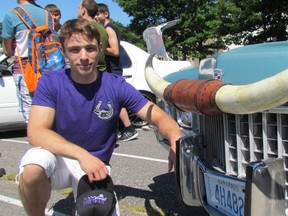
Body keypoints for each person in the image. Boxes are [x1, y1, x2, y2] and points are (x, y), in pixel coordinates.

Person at [17, 18, 183, 215]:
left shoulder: (115, 85)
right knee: (33, 166)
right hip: (60, 160)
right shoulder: (51, 82)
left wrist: (175, 138)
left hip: (96, 167)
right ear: (63, 51)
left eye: (90, 48)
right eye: (75, 49)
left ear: (101, 48)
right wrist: (82, 155)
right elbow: (36, 132)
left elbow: (157, 116)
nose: (84, 56)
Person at [1, 0, 50, 123]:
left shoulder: (12, 15)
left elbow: (7, 51)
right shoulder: (47, 14)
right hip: (48, 68)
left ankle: (37, 140)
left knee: (30, 115)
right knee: (48, 111)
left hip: (25, 69)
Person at [95, 3, 138, 142]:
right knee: (112, 100)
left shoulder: (109, 29)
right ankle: (120, 129)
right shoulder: (106, 28)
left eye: (98, 14)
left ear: (105, 14)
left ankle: (129, 128)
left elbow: (115, 51)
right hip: (111, 69)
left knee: (115, 100)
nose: (95, 17)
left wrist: (98, 48)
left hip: (114, 69)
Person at [77, 0, 108, 72]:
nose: (77, 11)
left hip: (87, 71)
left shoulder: (81, 27)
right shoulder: (102, 28)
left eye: (78, 8)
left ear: (83, 10)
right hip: (102, 71)